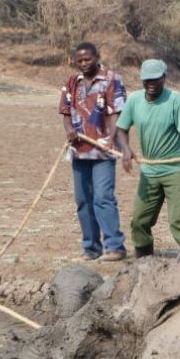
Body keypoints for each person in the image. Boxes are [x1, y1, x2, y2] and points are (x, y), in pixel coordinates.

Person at [111, 59, 180, 266]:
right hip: (149, 171)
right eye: (147, 79)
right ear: (142, 80)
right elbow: (121, 129)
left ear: (164, 78)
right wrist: (126, 150)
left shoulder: (175, 99)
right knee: (139, 222)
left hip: (176, 170)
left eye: (156, 79)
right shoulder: (134, 100)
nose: (152, 83)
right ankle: (144, 268)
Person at [59, 42, 127, 262]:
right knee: (83, 200)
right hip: (79, 150)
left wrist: (112, 139)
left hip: (104, 151)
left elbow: (118, 114)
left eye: (87, 59)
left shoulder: (111, 79)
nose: (83, 64)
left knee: (103, 197)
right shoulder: (72, 82)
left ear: (97, 57)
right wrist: (69, 130)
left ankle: (115, 247)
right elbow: (66, 111)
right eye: (79, 61)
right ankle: (91, 249)